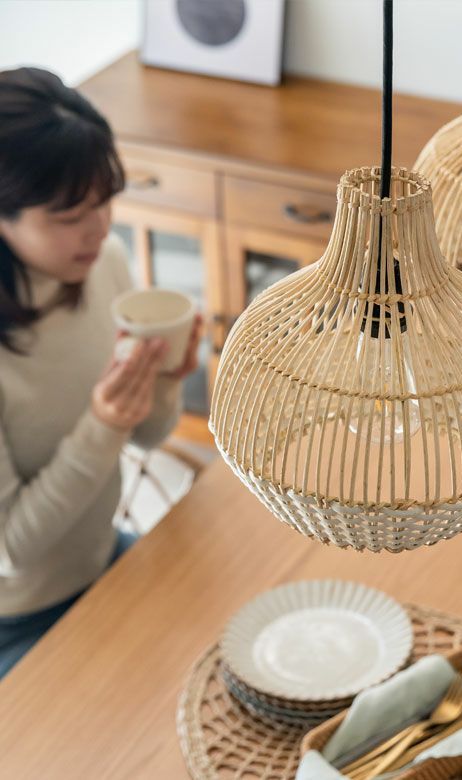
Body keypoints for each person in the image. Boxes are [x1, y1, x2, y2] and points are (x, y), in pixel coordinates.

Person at [0, 67, 201, 678]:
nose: (99, 229)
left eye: (104, 202)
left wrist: (163, 381)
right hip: (19, 617)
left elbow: (147, 437)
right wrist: (101, 426)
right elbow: (10, 550)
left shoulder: (103, 264)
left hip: (104, 560)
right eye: (68, 216)